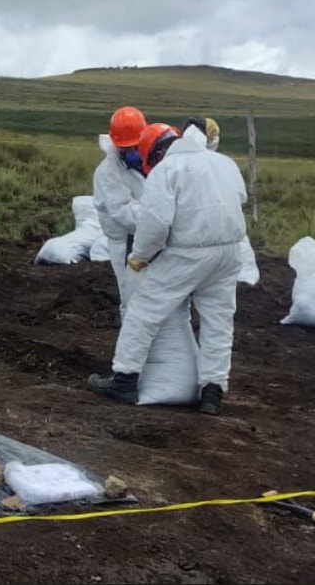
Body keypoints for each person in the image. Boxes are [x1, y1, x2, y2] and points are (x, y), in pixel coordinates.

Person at [88, 121, 248, 414]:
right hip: (229, 253)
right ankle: (212, 391)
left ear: (155, 153)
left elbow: (156, 222)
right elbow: (240, 198)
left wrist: (141, 256)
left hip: (187, 253)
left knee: (142, 310)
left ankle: (124, 379)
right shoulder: (225, 162)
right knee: (219, 321)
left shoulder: (166, 170)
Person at [92, 106, 148, 311]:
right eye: (128, 147)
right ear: (117, 143)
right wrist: (158, 215)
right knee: (131, 298)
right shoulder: (108, 173)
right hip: (125, 242)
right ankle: (130, 340)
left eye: (137, 145)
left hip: (147, 238)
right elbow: (124, 214)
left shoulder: (142, 162)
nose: (133, 151)